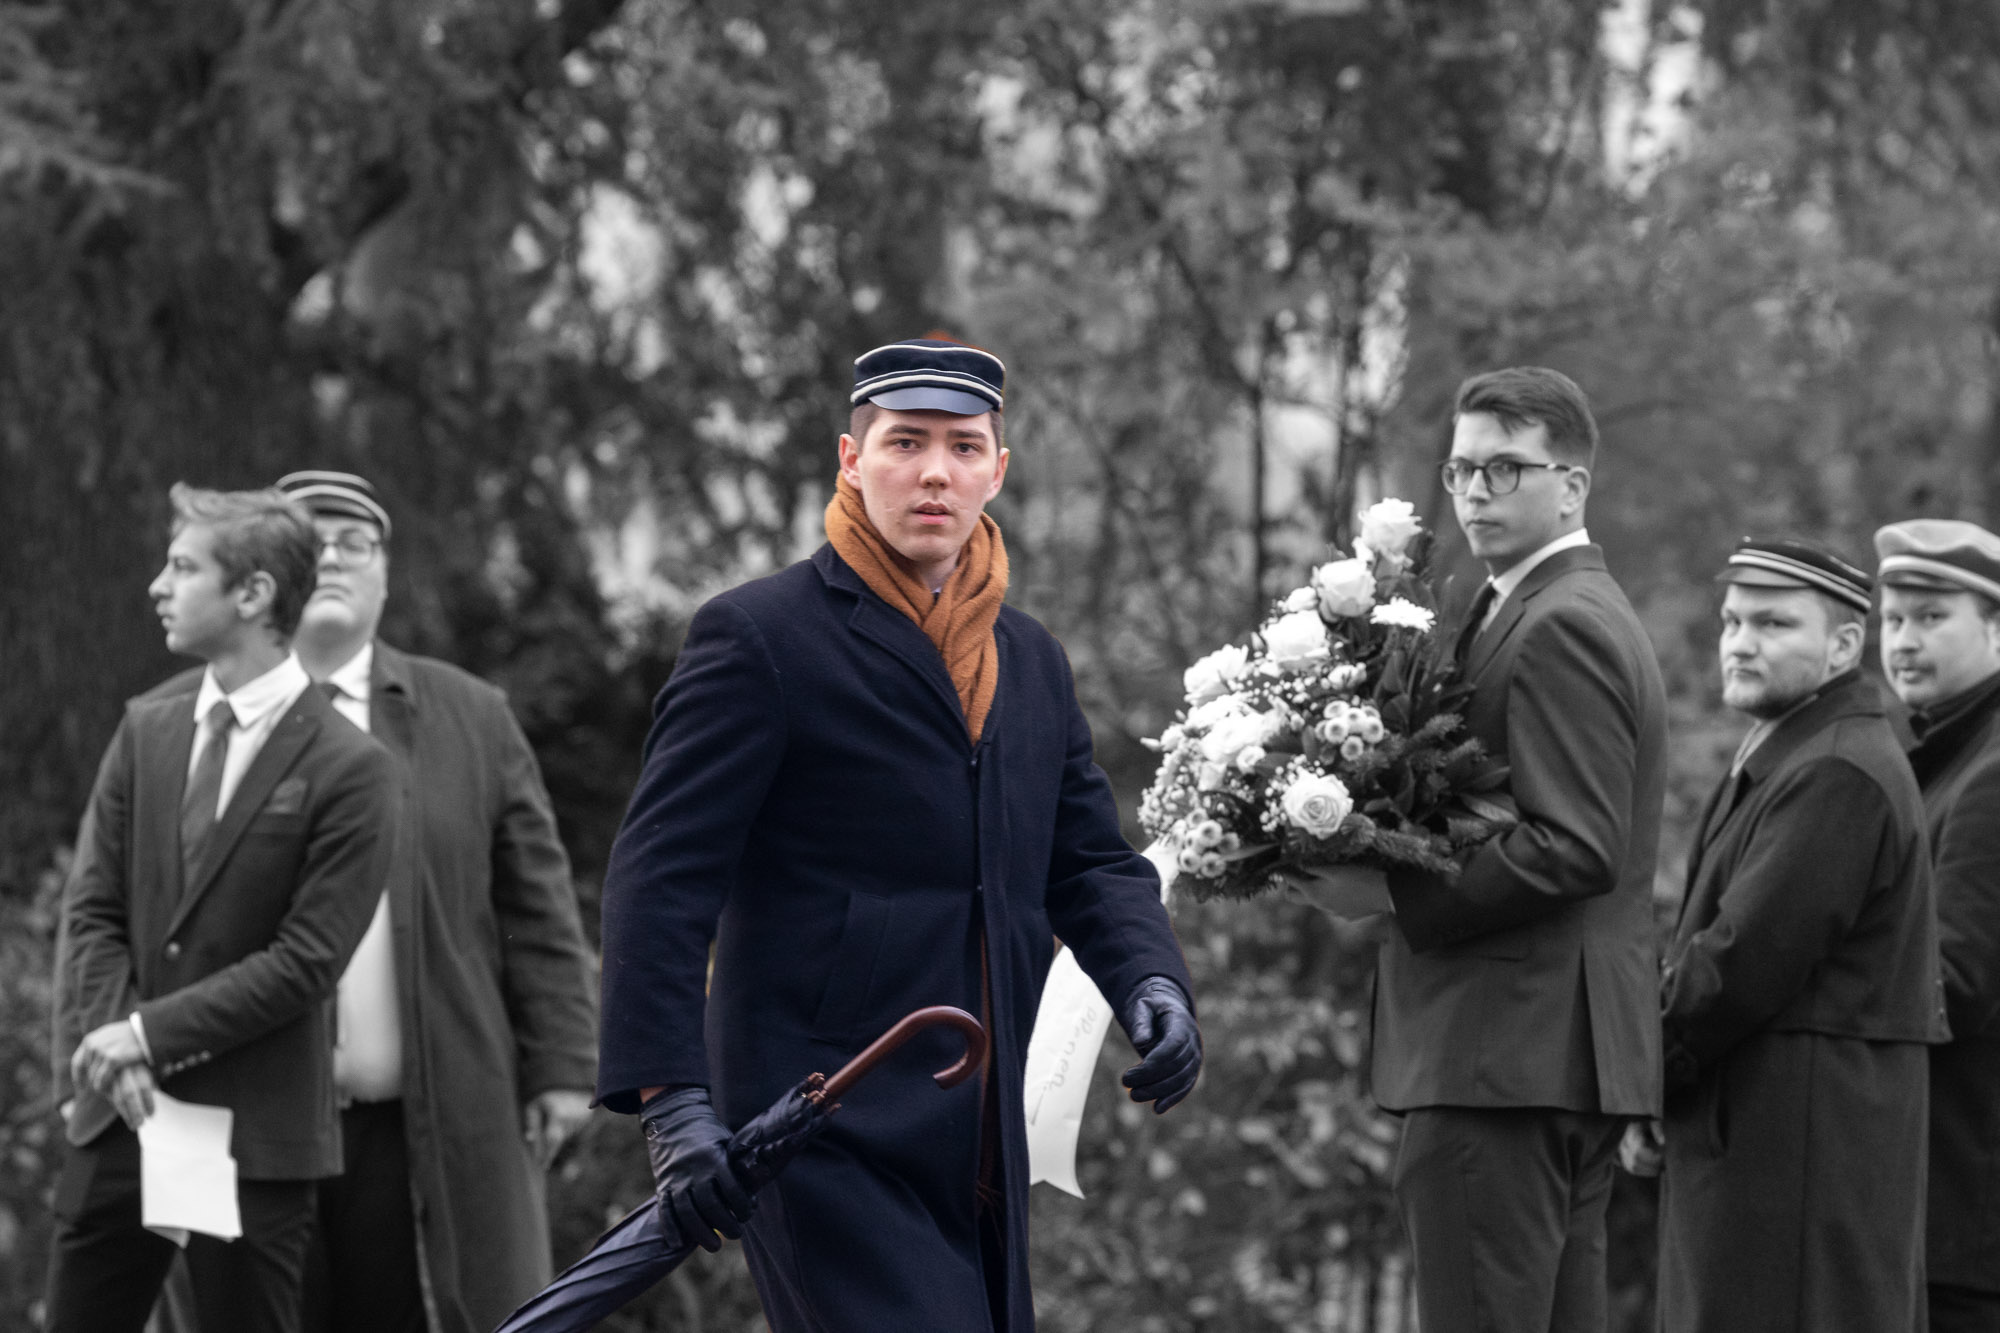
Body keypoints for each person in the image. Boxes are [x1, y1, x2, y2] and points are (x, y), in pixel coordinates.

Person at [594, 338, 1200, 1332]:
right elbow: (661, 876)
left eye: (963, 448)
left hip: (981, 1119)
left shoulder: (1030, 659)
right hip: (816, 1118)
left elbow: (1088, 861)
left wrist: (1151, 984)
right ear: (851, 458)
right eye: (905, 442)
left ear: (996, 470)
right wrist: (672, 1102)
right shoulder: (759, 637)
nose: (934, 472)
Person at [169, 470, 594, 1333]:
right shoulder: (184, 721)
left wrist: (562, 1067)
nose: (331, 558)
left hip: (427, 1125)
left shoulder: (472, 716)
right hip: (244, 1127)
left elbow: (538, 906)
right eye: (308, 543)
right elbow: (126, 917)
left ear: (387, 576)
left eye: (354, 543)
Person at [1356, 367, 1668, 1333]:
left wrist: (1391, 888)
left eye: (1504, 468)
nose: (1475, 492)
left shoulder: (1563, 620)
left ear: (1571, 486)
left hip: (1504, 1060)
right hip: (1538, 1060)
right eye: (1460, 471)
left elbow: (1576, 845)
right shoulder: (1524, 605)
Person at [47, 484, 396, 1333]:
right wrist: (117, 1048)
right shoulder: (146, 727)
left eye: (182, 567)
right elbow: (92, 909)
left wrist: (146, 1034)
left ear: (252, 594)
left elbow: (307, 960)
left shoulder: (354, 767)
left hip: (257, 1133)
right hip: (121, 1117)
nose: (158, 586)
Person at [1628, 538, 1944, 1332]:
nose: (1740, 642)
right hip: (1771, 1156)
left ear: (1843, 644)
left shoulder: (1836, 771)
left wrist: (1639, 1078)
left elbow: (1736, 964)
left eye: (1773, 624)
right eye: (1732, 621)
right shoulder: (1799, 750)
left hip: (1796, 1173)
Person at [1877, 519, 2000, 1333]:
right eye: (1892, 618)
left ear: (1996, 627)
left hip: (1962, 1208)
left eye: (1931, 617)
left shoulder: (1989, 772)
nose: (1904, 640)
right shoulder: (1945, 754)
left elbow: (1954, 980)